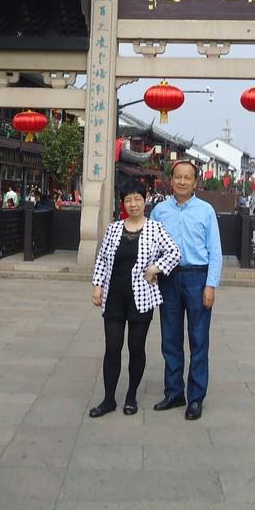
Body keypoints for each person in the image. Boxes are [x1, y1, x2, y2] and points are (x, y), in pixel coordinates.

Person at [89, 180, 181, 417]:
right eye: (128, 200)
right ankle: (109, 399)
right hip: (114, 295)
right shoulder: (113, 228)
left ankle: (131, 396)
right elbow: (102, 259)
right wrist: (97, 286)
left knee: (136, 348)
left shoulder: (155, 228)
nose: (133, 204)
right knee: (112, 347)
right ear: (123, 203)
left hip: (141, 297)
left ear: (145, 200)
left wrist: (155, 269)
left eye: (137, 199)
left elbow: (174, 253)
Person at [150, 160, 222, 421]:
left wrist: (210, 285)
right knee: (170, 338)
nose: (182, 181)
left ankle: (196, 398)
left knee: (198, 339)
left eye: (187, 177)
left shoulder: (206, 211)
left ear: (195, 182)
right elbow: (150, 246)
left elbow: (215, 251)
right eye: (177, 177)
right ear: (171, 180)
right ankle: (174, 392)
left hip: (197, 277)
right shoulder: (159, 211)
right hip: (168, 278)